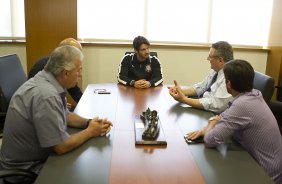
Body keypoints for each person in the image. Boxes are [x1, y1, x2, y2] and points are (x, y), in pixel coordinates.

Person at [0, 45, 113, 177]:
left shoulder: (48, 80)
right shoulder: (46, 95)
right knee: (87, 173)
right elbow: (61, 146)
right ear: (66, 73)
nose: (81, 75)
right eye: (79, 70)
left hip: (35, 158)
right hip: (25, 170)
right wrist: (90, 132)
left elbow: (66, 115)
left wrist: (88, 123)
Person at [186, 60, 282, 183]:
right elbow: (224, 115)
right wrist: (212, 122)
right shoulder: (254, 94)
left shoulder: (242, 105)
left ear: (229, 83)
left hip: (266, 175)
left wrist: (209, 126)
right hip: (268, 165)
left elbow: (210, 140)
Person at [169, 41, 234, 113]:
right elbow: (201, 87)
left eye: (210, 57)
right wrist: (181, 91)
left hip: (215, 115)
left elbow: (216, 105)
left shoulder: (230, 77)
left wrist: (184, 100)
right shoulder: (216, 70)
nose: (208, 60)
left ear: (220, 60)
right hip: (205, 107)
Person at [28, 38, 83, 104]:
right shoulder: (50, 67)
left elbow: (74, 90)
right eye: (75, 53)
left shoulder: (64, 65)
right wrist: (59, 103)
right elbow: (40, 97)